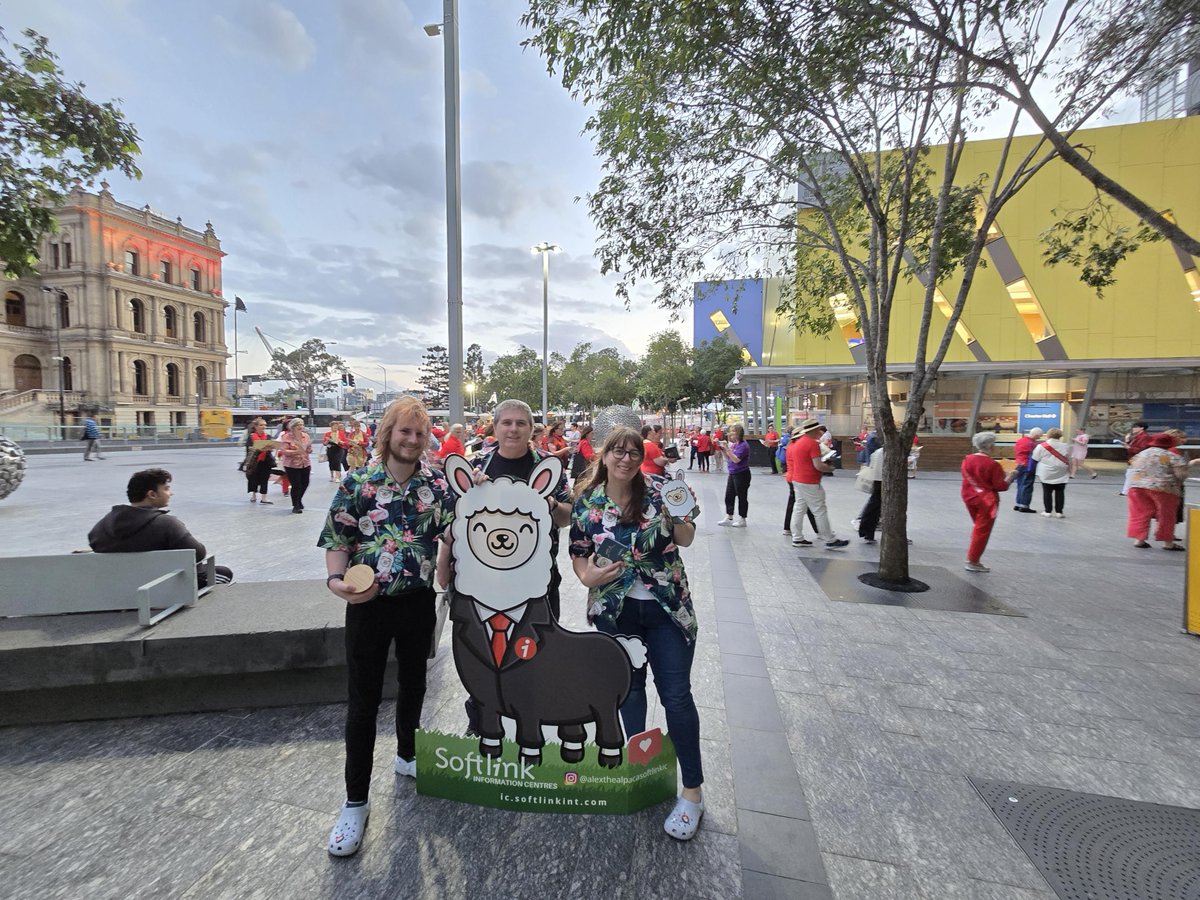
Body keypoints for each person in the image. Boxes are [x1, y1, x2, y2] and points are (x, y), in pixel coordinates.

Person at [320, 397, 456, 858]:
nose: (412, 440)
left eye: (419, 433)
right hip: (368, 607)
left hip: (417, 602)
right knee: (363, 700)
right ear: (387, 434)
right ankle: (355, 801)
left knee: (415, 684)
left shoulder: (436, 485)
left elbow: (456, 530)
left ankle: (408, 754)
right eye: (404, 431)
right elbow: (339, 539)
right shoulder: (359, 483)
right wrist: (338, 582)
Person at [569, 425, 705, 841]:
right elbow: (578, 555)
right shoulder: (587, 502)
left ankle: (692, 793)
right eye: (618, 452)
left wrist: (679, 513)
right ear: (604, 456)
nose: (626, 459)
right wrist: (587, 575)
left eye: (633, 452)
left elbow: (686, 538)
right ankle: (641, 769)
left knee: (677, 696)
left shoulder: (660, 490)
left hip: (666, 610)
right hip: (617, 612)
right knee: (628, 692)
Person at [461, 399, 572, 736]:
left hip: (537, 580)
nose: (512, 429)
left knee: (536, 652)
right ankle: (480, 723)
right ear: (494, 427)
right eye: (506, 423)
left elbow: (568, 517)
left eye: (520, 423)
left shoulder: (548, 467)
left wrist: (551, 504)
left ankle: (530, 726)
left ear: (530, 429)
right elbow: (456, 519)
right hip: (485, 583)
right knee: (481, 655)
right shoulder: (477, 464)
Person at [89, 468, 233, 586]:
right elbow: (198, 554)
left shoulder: (101, 526)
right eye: (166, 489)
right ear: (152, 494)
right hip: (161, 586)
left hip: (118, 586)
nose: (171, 493)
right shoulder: (166, 524)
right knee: (223, 572)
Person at [785, 419, 849, 549]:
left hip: (797, 480)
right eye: (818, 429)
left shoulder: (798, 443)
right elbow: (818, 465)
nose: (820, 432)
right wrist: (830, 468)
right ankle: (829, 539)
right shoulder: (812, 444)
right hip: (810, 481)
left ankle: (797, 538)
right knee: (819, 510)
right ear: (813, 430)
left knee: (799, 509)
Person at [961, 431, 1019, 573]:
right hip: (986, 501)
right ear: (990, 446)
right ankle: (973, 560)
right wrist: (1011, 476)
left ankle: (973, 554)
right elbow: (1001, 486)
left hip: (969, 496)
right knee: (982, 530)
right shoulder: (992, 464)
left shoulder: (967, 459)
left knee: (978, 527)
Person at [1126, 432, 1187, 551]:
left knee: (1140, 513)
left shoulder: (1140, 454)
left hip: (1137, 487)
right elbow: (1181, 475)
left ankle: (1139, 540)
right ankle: (1168, 542)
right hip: (1163, 488)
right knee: (1166, 515)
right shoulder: (1171, 456)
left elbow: (1131, 467)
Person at [1032, 427, 1072, 517]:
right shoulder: (1066, 446)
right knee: (1060, 492)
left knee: (1047, 491)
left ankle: (1047, 511)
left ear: (1049, 435)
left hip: (1046, 472)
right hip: (1061, 472)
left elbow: (1035, 458)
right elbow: (1069, 458)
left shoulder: (1041, 446)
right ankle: (1059, 512)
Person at [717, 424, 752, 527]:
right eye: (731, 431)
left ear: (738, 433)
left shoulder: (743, 446)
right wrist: (723, 449)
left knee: (742, 496)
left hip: (742, 473)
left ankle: (742, 518)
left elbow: (736, 459)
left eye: (733, 431)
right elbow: (729, 458)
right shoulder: (734, 445)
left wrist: (727, 449)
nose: (731, 434)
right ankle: (729, 516)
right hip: (732, 473)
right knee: (729, 495)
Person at [278, 417, 313, 514]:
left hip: (305, 462)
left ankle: (299, 499)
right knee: (296, 484)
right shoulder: (287, 437)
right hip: (291, 464)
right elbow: (284, 451)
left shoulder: (305, 436)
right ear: (292, 427)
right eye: (298, 425)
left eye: (302, 424)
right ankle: (295, 505)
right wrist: (296, 451)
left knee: (305, 483)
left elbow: (309, 447)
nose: (301, 426)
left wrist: (309, 450)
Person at [244, 418, 275, 504]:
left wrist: (270, 447)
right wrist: (257, 449)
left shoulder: (268, 436)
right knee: (254, 478)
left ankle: (264, 497)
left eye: (265, 425)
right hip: (255, 461)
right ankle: (253, 495)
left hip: (265, 461)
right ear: (256, 427)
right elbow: (248, 448)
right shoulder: (251, 436)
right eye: (261, 425)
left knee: (265, 479)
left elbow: (271, 447)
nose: (263, 427)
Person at [1012, 427, 1043, 512]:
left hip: (1019, 464)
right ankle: (1024, 505)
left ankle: (1018, 504)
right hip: (1028, 465)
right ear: (1036, 435)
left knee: (1020, 485)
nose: (1039, 438)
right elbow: (1036, 455)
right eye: (1039, 436)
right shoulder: (1032, 443)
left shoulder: (1020, 440)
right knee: (1027, 485)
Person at [1121, 420, 1152, 496]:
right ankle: (1126, 491)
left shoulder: (1144, 437)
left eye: (1135, 427)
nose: (1133, 429)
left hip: (1138, 459)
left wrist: (1129, 447)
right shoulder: (1136, 437)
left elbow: (1142, 449)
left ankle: (1126, 492)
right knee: (1130, 474)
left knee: (1131, 474)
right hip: (1134, 458)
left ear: (1141, 428)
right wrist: (1127, 441)